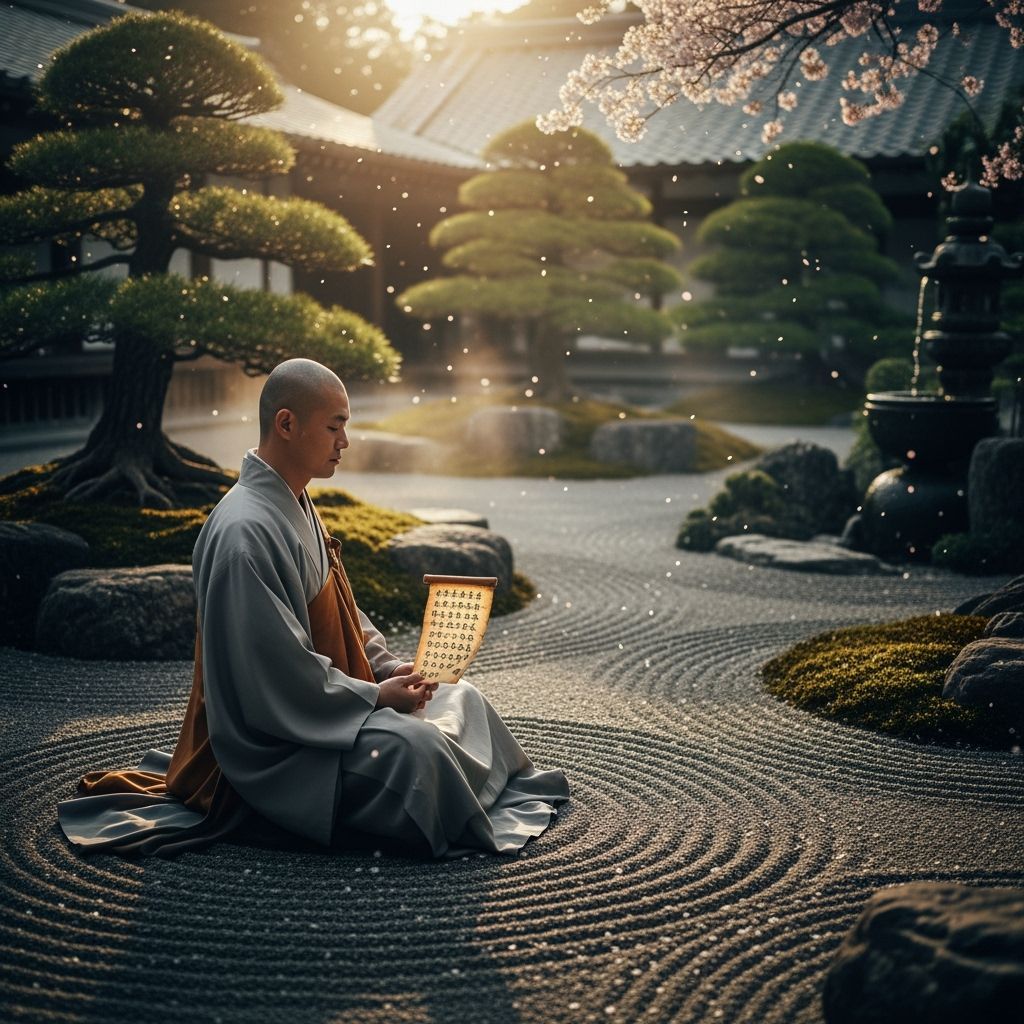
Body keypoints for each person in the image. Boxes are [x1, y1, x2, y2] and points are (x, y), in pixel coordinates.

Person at [58, 359, 570, 858]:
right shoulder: (244, 533)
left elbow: (343, 613)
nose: (345, 442)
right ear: (287, 424)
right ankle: (446, 805)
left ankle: (457, 793)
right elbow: (278, 679)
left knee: (463, 698)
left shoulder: (296, 501)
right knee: (419, 751)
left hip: (333, 702)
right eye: (335, 427)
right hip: (278, 743)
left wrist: (392, 669)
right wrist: (374, 698)